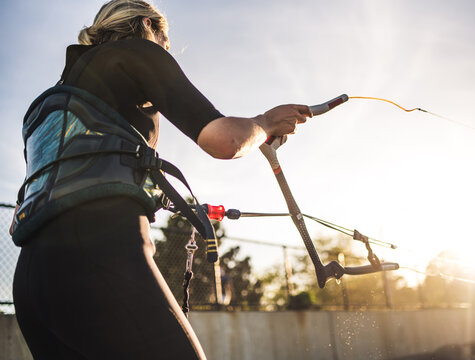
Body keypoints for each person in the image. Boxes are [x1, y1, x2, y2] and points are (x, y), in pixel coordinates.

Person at [10, 1, 311, 359]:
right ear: (149, 25)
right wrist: (265, 122)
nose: (166, 48)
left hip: (30, 280)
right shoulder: (136, 51)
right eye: (165, 39)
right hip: (99, 253)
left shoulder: (57, 97)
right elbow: (225, 139)